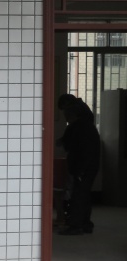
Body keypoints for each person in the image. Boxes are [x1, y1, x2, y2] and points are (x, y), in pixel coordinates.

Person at [57, 94, 100, 235]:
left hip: (83, 166)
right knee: (84, 195)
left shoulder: (79, 128)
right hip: (88, 165)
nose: (65, 118)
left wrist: (80, 170)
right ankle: (86, 224)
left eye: (65, 113)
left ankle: (76, 226)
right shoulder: (85, 125)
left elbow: (79, 148)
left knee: (78, 196)